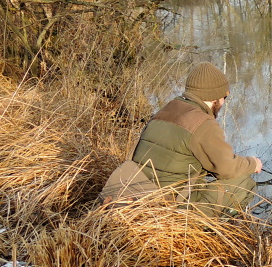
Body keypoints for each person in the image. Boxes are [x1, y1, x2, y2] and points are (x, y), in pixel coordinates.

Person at [100, 62, 263, 216]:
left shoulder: (166, 110)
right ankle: (209, 228)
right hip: (172, 205)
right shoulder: (204, 124)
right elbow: (226, 168)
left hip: (141, 192)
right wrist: (252, 163)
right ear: (215, 97)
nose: (223, 103)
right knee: (244, 183)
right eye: (224, 98)